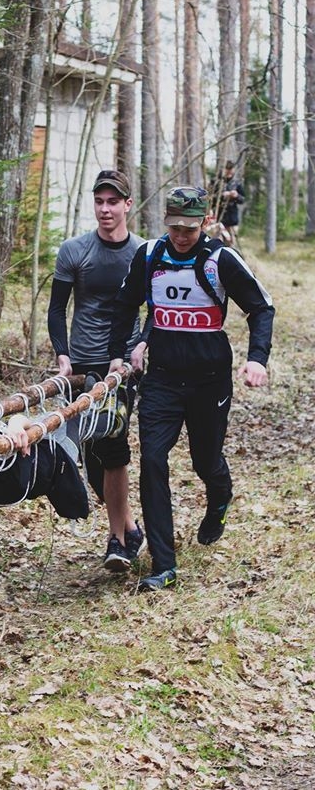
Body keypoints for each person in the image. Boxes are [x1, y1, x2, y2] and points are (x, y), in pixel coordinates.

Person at [108, 186, 274, 591]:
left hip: (209, 379)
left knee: (205, 460)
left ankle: (219, 497)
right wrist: (119, 352)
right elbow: (126, 304)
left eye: (190, 228)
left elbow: (261, 307)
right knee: (152, 460)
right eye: (175, 227)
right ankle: (163, 564)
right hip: (162, 377)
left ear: (204, 222)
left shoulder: (220, 259)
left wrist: (257, 358)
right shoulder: (149, 256)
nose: (181, 235)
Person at [47, 168, 145, 573]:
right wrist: (63, 354)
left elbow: (153, 309)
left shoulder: (144, 252)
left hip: (121, 367)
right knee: (91, 463)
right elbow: (57, 309)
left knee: (113, 448)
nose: (105, 210)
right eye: (99, 202)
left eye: (112, 202)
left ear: (127, 205)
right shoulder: (74, 250)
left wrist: (140, 345)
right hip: (81, 367)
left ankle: (118, 543)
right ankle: (131, 527)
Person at [0, 411, 89, 528]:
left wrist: (15, 424)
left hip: (44, 440)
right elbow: (26, 423)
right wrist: (16, 423)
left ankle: (95, 402)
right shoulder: (11, 474)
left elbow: (24, 423)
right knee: (77, 421)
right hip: (58, 455)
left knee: (76, 417)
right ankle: (103, 409)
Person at [210, 160, 245, 246]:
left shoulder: (237, 184)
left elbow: (242, 200)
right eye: (227, 169)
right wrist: (222, 196)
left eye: (231, 169)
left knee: (231, 242)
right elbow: (210, 198)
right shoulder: (216, 183)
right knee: (218, 242)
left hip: (232, 219)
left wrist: (236, 196)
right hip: (218, 218)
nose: (229, 172)